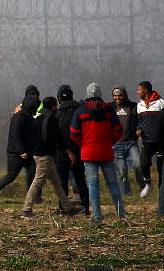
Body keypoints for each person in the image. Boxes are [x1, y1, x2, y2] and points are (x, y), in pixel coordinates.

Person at [20, 97, 84, 217]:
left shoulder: (38, 119)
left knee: (56, 183)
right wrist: (68, 152)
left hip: (39, 154)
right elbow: (57, 138)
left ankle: (68, 208)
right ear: (53, 107)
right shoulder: (51, 119)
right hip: (45, 156)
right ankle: (26, 209)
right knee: (38, 182)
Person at [71, 83, 125, 224]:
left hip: (88, 153)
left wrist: (82, 144)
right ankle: (121, 214)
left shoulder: (80, 111)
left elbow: (74, 133)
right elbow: (118, 130)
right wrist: (110, 142)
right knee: (113, 184)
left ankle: (97, 217)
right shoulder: (108, 110)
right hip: (106, 152)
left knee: (93, 185)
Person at [0, 95, 37, 202]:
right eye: (34, 106)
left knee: (33, 174)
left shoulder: (29, 117)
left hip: (27, 152)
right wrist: (21, 150)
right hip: (16, 153)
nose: (35, 108)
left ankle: (32, 198)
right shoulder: (18, 117)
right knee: (11, 176)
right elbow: (15, 135)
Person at [54, 84, 88, 214]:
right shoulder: (80, 110)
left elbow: (57, 135)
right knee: (80, 179)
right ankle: (86, 208)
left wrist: (66, 150)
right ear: (72, 96)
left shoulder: (58, 113)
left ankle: (64, 208)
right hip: (78, 150)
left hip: (62, 152)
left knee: (62, 182)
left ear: (59, 98)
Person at [111, 85, 144, 196]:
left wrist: (139, 129)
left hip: (131, 143)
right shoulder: (111, 108)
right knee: (121, 172)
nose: (117, 98)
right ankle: (126, 193)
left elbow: (140, 120)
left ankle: (142, 187)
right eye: (115, 96)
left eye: (119, 95)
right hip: (117, 145)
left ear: (124, 95)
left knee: (137, 164)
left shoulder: (133, 106)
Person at [136, 81, 163, 198]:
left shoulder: (161, 103)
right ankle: (148, 184)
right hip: (147, 140)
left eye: (139, 90)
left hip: (161, 141)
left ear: (145, 90)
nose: (137, 92)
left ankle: (161, 191)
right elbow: (139, 122)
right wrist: (138, 129)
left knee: (160, 167)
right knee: (143, 162)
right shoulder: (139, 105)